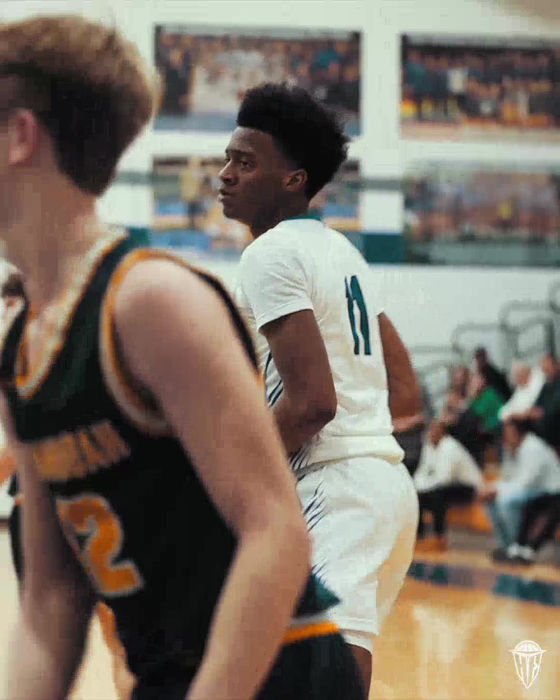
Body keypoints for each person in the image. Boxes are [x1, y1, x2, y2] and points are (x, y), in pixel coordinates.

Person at [0, 16, 364, 700]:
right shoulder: (22, 345)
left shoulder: (149, 300)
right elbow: (50, 603)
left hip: (277, 672)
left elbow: (276, 533)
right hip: (172, 676)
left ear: (20, 136)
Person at [220, 82, 420, 692]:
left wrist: (232, 474)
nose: (225, 174)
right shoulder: (343, 252)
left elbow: (312, 405)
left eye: (245, 162)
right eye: (228, 159)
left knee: (320, 674)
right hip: (381, 486)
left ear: (294, 179)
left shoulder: (270, 255)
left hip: (337, 488)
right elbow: (406, 392)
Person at [479, 418, 560, 562]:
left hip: (549, 492)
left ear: (519, 432)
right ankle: (506, 547)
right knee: (491, 501)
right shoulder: (512, 448)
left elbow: (526, 482)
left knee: (505, 502)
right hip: (533, 491)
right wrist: (492, 489)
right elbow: (507, 478)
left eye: (508, 432)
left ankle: (517, 547)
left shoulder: (533, 448)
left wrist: (497, 491)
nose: (505, 436)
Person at [414, 419, 483, 551]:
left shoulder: (450, 447)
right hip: (443, 486)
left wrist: (423, 488)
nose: (431, 432)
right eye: (430, 429)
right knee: (417, 497)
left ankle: (440, 537)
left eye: (434, 429)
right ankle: (420, 537)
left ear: (443, 432)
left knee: (437, 496)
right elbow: (422, 471)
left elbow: (444, 478)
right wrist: (416, 488)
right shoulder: (429, 446)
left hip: (467, 486)